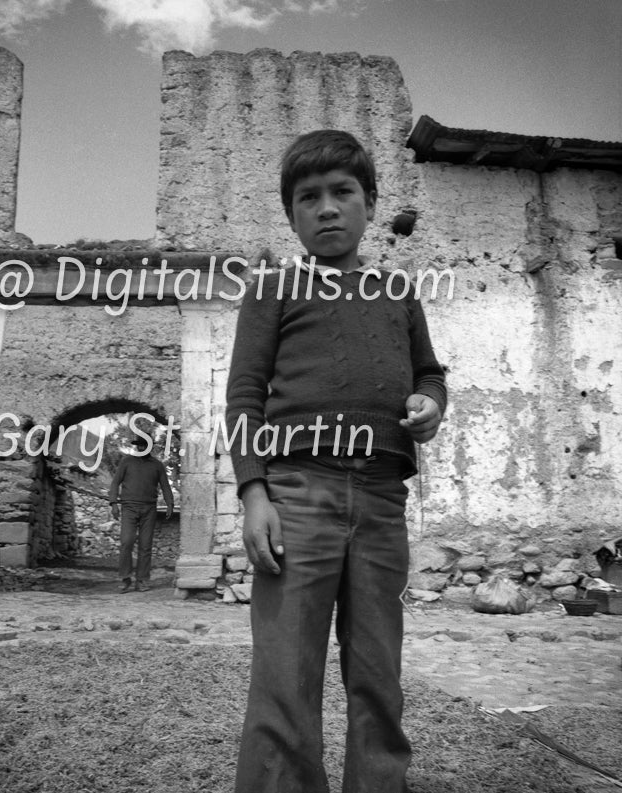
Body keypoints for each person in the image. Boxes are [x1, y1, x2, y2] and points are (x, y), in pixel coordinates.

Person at [225, 129, 447, 793]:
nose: (326, 208)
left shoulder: (400, 293)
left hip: (382, 501)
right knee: (286, 671)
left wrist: (428, 404)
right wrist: (254, 493)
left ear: (370, 203)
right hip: (297, 494)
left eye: (342, 192)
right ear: (291, 214)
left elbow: (431, 375)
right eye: (308, 197)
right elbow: (243, 396)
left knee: (378, 670)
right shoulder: (271, 288)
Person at [108, 434, 174, 593]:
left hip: (149, 509)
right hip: (129, 507)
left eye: (145, 445)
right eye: (139, 445)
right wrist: (113, 503)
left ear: (150, 446)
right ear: (136, 446)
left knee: (145, 545)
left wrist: (170, 503)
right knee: (126, 541)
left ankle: (142, 580)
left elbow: (165, 486)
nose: (141, 447)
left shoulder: (157, 465)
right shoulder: (127, 462)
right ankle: (125, 579)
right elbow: (115, 482)